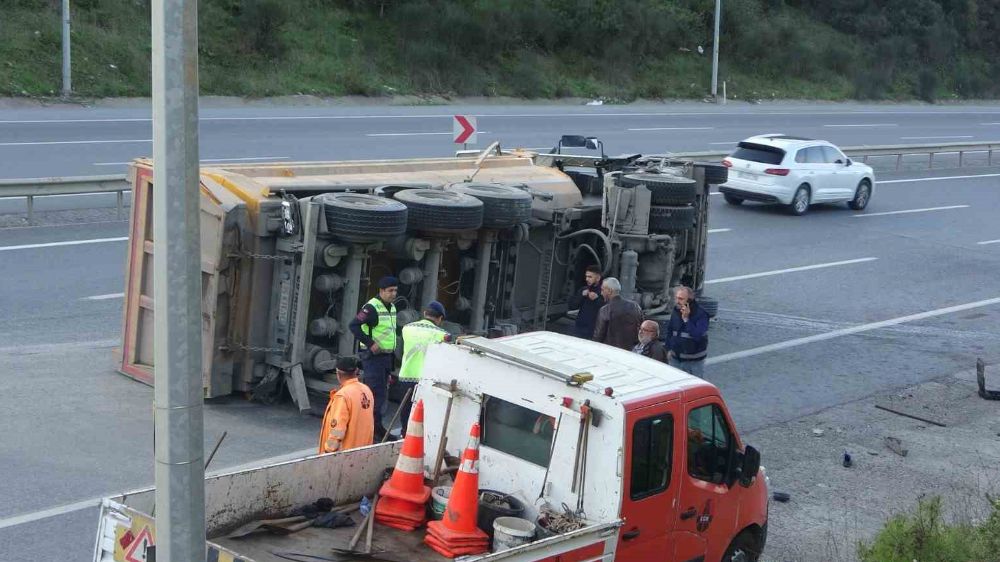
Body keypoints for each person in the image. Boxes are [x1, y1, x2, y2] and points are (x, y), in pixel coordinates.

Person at [349, 275, 399, 441]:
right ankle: (371, 430)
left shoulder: (391, 307)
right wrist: (370, 343)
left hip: (385, 357)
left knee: (382, 394)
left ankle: (376, 427)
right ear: (381, 291)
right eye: (390, 291)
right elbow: (353, 326)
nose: (393, 294)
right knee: (375, 394)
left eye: (395, 290)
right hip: (373, 358)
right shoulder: (371, 308)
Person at [397, 300, 453, 435]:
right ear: (440, 318)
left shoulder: (407, 328)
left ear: (424, 313)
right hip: (427, 380)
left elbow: (399, 352)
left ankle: (404, 435)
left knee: (406, 410)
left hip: (406, 376)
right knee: (423, 413)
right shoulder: (443, 335)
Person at [318, 355, 374, 454]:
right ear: (356, 372)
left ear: (338, 374)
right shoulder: (366, 390)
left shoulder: (342, 396)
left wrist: (329, 449)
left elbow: (338, 429)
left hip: (344, 456)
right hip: (364, 451)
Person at [664, 285, 709, 377]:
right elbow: (670, 331)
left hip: (694, 363)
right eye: (676, 298)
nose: (677, 301)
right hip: (675, 360)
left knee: (694, 389)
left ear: (689, 300)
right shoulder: (676, 311)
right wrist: (668, 349)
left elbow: (697, 335)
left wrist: (686, 320)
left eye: (681, 299)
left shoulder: (701, 315)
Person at [593, 277, 643, 351]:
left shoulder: (605, 310)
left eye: (603, 290)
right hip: (631, 352)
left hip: (610, 353)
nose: (601, 293)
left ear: (609, 291)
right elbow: (642, 330)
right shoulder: (635, 307)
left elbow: (598, 336)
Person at [568, 265, 605, 339]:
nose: (587, 279)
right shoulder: (583, 289)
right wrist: (581, 296)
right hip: (579, 329)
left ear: (598, 278)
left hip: (594, 331)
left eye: (590, 277)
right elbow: (572, 306)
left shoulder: (603, 292)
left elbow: (606, 309)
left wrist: (597, 299)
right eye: (586, 276)